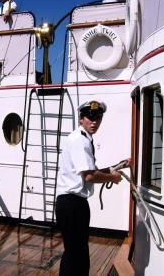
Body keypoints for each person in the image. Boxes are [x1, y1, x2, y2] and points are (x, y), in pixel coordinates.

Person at [55, 100, 130, 276]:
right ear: (81, 118)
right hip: (73, 204)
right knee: (76, 255)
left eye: (98, 117)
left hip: (70, 204)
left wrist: (119, 166)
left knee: (75, 253)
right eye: (90, 117)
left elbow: (90, 171)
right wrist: (113, 177)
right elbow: (89, 176)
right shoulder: (80, 141)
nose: (94, 121)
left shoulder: (80, 138)